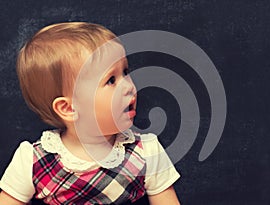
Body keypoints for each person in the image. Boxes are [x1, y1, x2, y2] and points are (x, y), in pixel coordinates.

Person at [0, 22, 180, 205]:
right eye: (111, 80)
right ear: (68, 108)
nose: (129, 87)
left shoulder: (146, 151)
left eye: (125, 72)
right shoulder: (33, 160)